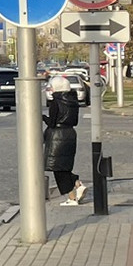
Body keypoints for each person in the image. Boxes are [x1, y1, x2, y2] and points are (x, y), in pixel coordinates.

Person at [46, 73, 86, 205]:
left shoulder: (55, 102)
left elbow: (52, 122)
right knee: (65, 166)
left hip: (57, 136)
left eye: (52, 86)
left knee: (58, 168)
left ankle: (73, 196)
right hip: (70, 134)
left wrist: (41, 117)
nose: (50, 89)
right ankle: (77, 185)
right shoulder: (72, 101)